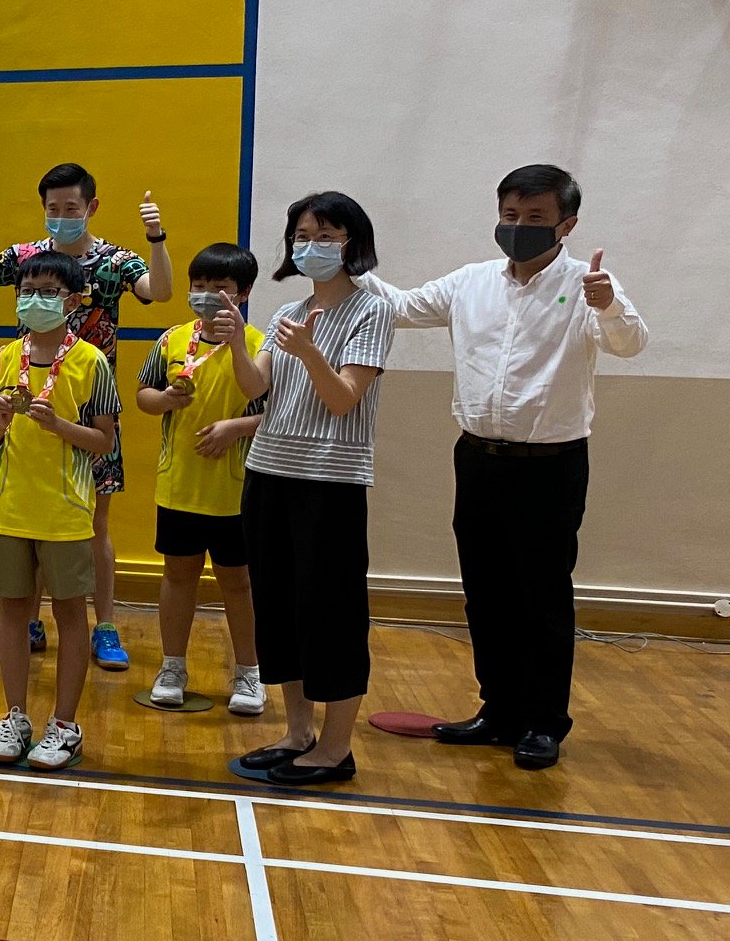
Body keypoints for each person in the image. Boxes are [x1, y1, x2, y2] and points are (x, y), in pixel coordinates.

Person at [356, 165, 646, 770]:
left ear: (566, 224)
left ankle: (543, 721)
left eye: (535, 218)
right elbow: (405, 307)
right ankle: (499, 710)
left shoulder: (588, 285)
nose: (518, 227)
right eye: (510, 216)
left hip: (552, 465)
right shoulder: (472, 282)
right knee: (485, 592)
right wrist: (351, 260)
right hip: (479, 458)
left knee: (541, 595)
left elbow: (629, 342)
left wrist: (611, 304)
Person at [0, 164, 170, 668]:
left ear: (91, 207)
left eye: (71, 208)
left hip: (90, 412)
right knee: (30, 523)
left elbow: (160, 290)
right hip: (27, 404)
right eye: (52, 208)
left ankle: (104, 627)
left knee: (94, 526)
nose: (61, 217)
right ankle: (30, 621)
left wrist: (156, 237)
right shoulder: (27, 259)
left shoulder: (113, 260)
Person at [219, 193, 395, 787]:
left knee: (332, 612)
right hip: (268, 473)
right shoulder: (289, 310)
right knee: (281, 606)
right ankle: (298, 733)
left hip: (330, 483)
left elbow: (343, 398)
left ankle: (336, 747)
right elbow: (254, 389)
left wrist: (312, 353)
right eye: (302, 234)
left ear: (353, 242)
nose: (311, 245)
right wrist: (236, 345)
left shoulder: (372, 311)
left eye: (326, 234)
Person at [0, 252, 120, 772]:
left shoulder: (91, 362)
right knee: (14, 612)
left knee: (68, 614)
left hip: (65, 514)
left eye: (49, 291)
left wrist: (60, 426)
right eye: (28, 288)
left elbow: (103, 442)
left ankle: (64, 724)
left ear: (74, 300)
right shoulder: (2, 359)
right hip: (9, 510)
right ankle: (15, 717)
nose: (35, 298)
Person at [135, 243, 266, 715]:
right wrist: (164, 399)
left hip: (236, 492)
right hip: (179, 485)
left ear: (243, 293)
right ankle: (172, 666)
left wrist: (235, 428)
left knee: (238, 583)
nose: (208, 296)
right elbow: (143, 397)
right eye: (200, 286)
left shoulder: (259, 346)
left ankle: (250, 674)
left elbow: (279, 413)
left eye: (221, 288)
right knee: (177, 578)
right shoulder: (172, 340)